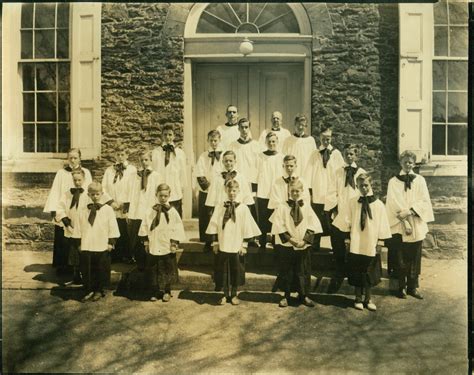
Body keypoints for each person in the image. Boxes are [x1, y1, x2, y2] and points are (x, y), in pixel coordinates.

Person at [334, 173, 391, 311]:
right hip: (357, 242)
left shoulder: (378, 205)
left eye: (366, 185)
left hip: (371, 242)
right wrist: (347, 239)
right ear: (357, 187)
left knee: (369, 271)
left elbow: (383, 224)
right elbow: (346, 221)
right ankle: (358, 298)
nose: (364, 188)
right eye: (361, 186)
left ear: (371, 185)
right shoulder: (353, 202)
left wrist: (380, 242)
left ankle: (368, 298)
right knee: (357, 270)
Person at [385, 151, 434, 300]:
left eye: (410, 162)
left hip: (415, 221)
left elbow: (424, 200)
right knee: (399, 256)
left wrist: (410, 211)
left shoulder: (420, 180)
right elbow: (392, 202)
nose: (408, 165)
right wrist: (404, 218)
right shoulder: (393, 181)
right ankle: (401, 287)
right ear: (400, 163)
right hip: (399, 223)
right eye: (405, 162)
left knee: (414, 256)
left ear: (414, 164)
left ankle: (413, 286)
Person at [206, 180, 261, 305]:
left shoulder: (243, 209)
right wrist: (215, 243)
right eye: (229, 190)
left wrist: (245, 244)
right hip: (223, 243)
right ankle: (225, 294)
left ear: (238, 191)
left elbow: (247, 227)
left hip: (237, 244)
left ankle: (234, 294)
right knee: (223, 270)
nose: (232, 193)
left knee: (236, 269)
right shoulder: (220, 207)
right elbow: (214, 225)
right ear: (225, 191)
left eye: (234, 190)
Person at [270, 179, 322, 307]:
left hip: (302, 245)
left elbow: (313, 225)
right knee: (287, 270)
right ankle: (286, 296)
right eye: (292, 191)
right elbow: (278, 226)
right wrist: (291, 240)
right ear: (288, 191)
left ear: (302, 191)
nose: (295, 193)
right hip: (288, 244)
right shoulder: (282, 207)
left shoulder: (307, 207)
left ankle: (303, 295)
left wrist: (304, 241)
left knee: (302, 270)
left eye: (297, 191)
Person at [324, 144, 367, 293]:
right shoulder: (338, 172)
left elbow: (366, 192)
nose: (349, 156)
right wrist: (333, 209)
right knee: (337, 241)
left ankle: (353, 273)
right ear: (343, 155)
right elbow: (331, 191)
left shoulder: (361, 172)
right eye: (347, 154)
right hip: (341, 211)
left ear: (356, 156)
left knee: (354, 243)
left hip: (356, 211)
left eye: (352, 154)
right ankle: (339, 271)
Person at [44, 148, 92, 275]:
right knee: (63, 239)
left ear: (80, 158)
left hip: (80, 210)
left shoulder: (85, 172)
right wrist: (55, 210)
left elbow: (90, 190)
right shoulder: (61, 173)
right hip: (65, 209)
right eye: (70, 157)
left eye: (75, 157)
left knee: (78, 239)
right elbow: (55, 191)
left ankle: (79, 268)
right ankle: (64, 266)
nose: (72, 160)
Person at [139, 184, 185, 302]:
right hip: (154, 244)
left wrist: (174, 243)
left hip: (167, 245)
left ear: (169, 196)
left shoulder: (173, 212)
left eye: (165, 196)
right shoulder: (150, 211)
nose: (163, 198)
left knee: (167, 268)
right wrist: (146, 242)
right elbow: (144, 226)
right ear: (156, 195)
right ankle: (155, 291)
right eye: (160, 196)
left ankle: (167, 291)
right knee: (154, 269)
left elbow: (177, 227)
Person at [77, 182, 120, 302]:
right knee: (87, 268)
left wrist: (111, 242)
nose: (95, 196)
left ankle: (99, 290)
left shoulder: (107, 210)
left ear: (102, 194)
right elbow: (78, 227)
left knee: (101, 268)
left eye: (97, 194)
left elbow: (113, 227)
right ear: (88, 195)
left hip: (102, 244)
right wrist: (79, 243)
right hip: (87, 243)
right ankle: (89, 289)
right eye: (92, 194)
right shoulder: (83, 210)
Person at [306, 126, 345, 252]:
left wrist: (339, 193)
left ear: (331, 138)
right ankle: (314, 245)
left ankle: (335, 247)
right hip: (318, 193)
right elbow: (309, 173)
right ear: (319, 138)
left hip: (331, 194)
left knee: (332, 221)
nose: (326, 141)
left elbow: (340, 174)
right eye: (323, 138)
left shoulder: (337, 154)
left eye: (328, 138)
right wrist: (310, 192)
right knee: (315, 219)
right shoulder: (314, 154)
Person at [128, 149, 163, 269]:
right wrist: (131, 211)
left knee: (150, 235)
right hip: (137, 211)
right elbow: (132, 194)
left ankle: (151, 263)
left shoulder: (157, 176)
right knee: (138, 237)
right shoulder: (134, 176)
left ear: (151, 161)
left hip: (150, 210)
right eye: (142, 160)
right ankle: (140, 263)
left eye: (146, 160)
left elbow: (158, 193)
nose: (144, 162)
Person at [102, 143, 137, 262]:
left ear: (127, 155)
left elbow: (134, 188)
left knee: (125, 231)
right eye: (118, 154)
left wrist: (126, 204)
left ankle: (127, 255)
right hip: (113, 206)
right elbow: (104, 188)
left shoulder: (132, 170)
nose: (120, 157)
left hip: (126, 206)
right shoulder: (109, 170)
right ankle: (114, 255)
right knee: (113, 228)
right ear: (114, 155)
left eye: (122, 154)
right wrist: (111, 202)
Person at [55, 169, 90, 286]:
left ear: (84, 180)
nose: (77, 183)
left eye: (79, 180)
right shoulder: (67, 194)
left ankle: (85, 277)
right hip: (72, 226)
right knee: (73, 252)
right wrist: (66, 222)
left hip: (84, 228)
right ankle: (75, 276)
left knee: (83, 251)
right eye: (75, 180)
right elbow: (59, 208)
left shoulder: (88, 194)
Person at [228, 118, 262, 225]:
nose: (244, 130)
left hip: (251, 180)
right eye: (242, 127)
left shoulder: (256, 145)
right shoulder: (233, 145)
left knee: (251, 205)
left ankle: (251, 235)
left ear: (249, 128)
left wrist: (256, 182)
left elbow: (259, 165)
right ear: (238, 129)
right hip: (238, 179)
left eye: (246, 127)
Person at [194, 130, 223, 252]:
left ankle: (219, 239)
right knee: (206, 215)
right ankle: (207, 241)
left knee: (218, 215)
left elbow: (225, 171)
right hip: (206, 191)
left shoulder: (223, 155)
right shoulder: (203, 156)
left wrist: (219, 188)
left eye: (215, 140)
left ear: (219, 140)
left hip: (219, 191)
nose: (213, 143)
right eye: (211, 140)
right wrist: (208, 187)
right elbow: (199, 172)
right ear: (208, 141)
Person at [256, 132, 284, 250]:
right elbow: (255, 173)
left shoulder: (281, 157)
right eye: (269, 141)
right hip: (263, 191)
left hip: (276, 193)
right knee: (263, 217)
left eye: (273, 141)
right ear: (266, 143)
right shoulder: (260, 156)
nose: (271, 144)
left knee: (276, 217)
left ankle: (274, 240)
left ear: (277, 143)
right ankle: (262, 241)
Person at [152, 124, 187, 217]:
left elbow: (183, 172)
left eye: (170, 134)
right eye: (165, 134)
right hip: (160, 190)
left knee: (175, 217)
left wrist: (182, 188)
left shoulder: (180, 153)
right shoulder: (156, 152)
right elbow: (153, 171)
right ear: (162, 136)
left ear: (174, 136)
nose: (168, 137)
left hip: (175, 189)